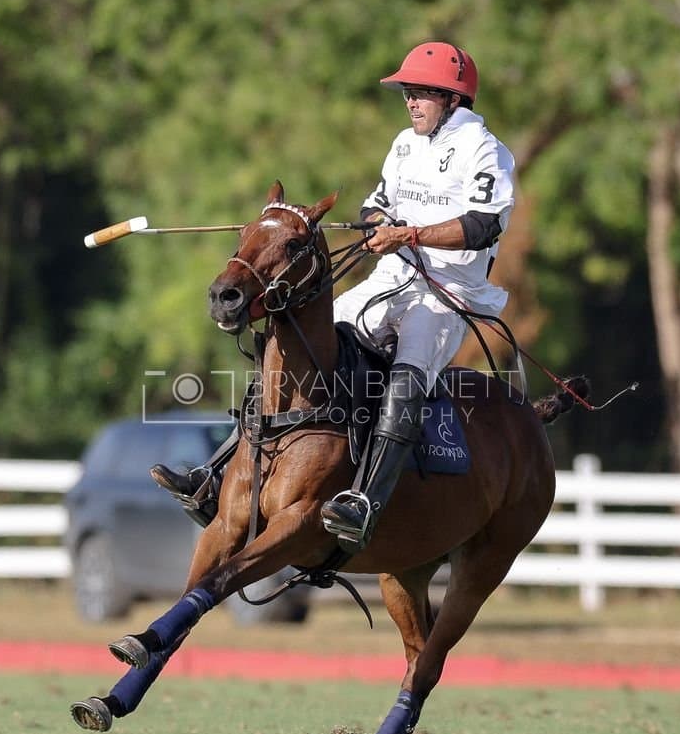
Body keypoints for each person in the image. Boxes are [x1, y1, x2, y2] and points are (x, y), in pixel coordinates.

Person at [151, 41, 516, 554]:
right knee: (295, 340)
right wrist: (376, 226)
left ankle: (365, 501)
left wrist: (408, 235)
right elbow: (375, 206)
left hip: (448, 293)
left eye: (422, 93)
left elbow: (484, 225)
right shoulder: (405, 144)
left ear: (454, 99)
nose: (410, 101)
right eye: (407, 92)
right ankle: (217, 475)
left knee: (408, 376)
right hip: (390, 280)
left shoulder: (485, 150)